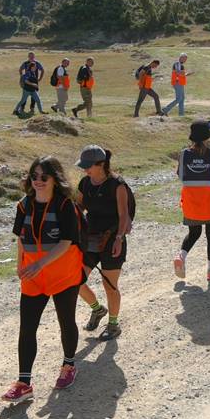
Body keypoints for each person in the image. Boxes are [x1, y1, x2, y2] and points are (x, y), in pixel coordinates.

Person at [1, 157, 84, 404]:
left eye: (43, 177)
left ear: (54, 179)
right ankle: (24, 383)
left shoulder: (65, 205)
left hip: (63, 274)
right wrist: (20, 264)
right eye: (33, 176)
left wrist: (38, 263)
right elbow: (20, 238)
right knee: (27, 328)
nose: (37, 181)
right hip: (33, 277)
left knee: (66, 321)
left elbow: (67, 242)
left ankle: (69, 365)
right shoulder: (24, 205)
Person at [75, 145, 132, 341]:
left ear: (101, 164)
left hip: (112, 239)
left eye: (88, 166)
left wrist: (119, 238)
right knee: (75, 280)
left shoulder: (117, 185)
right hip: (90, 239)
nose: (85, 170)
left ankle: (113, 325)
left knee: (110, 285)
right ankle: (98, 309)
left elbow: (124, 215)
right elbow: (79, 207)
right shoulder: (85, 183)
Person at [175, 119, 210, 281]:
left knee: (194, 233)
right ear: (208, 136)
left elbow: (179, 174)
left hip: (191, 204)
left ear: (191, 137)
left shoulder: (183, 154)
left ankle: (181, 256)